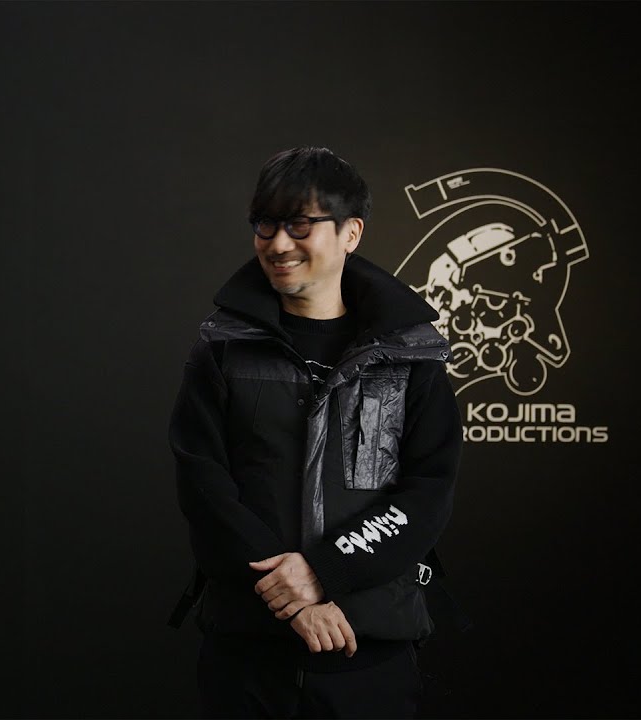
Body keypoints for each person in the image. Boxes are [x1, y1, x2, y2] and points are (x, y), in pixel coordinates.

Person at [169, 147, 461, 718]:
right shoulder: (222, 348)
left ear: (351, 232)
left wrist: (326, 572)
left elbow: (428, 493)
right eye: (266, 224)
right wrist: (294, 600)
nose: (278, 244)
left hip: (368, 644)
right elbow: (205, 487)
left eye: (300, 224)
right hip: (247, 650)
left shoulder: (411, 355)